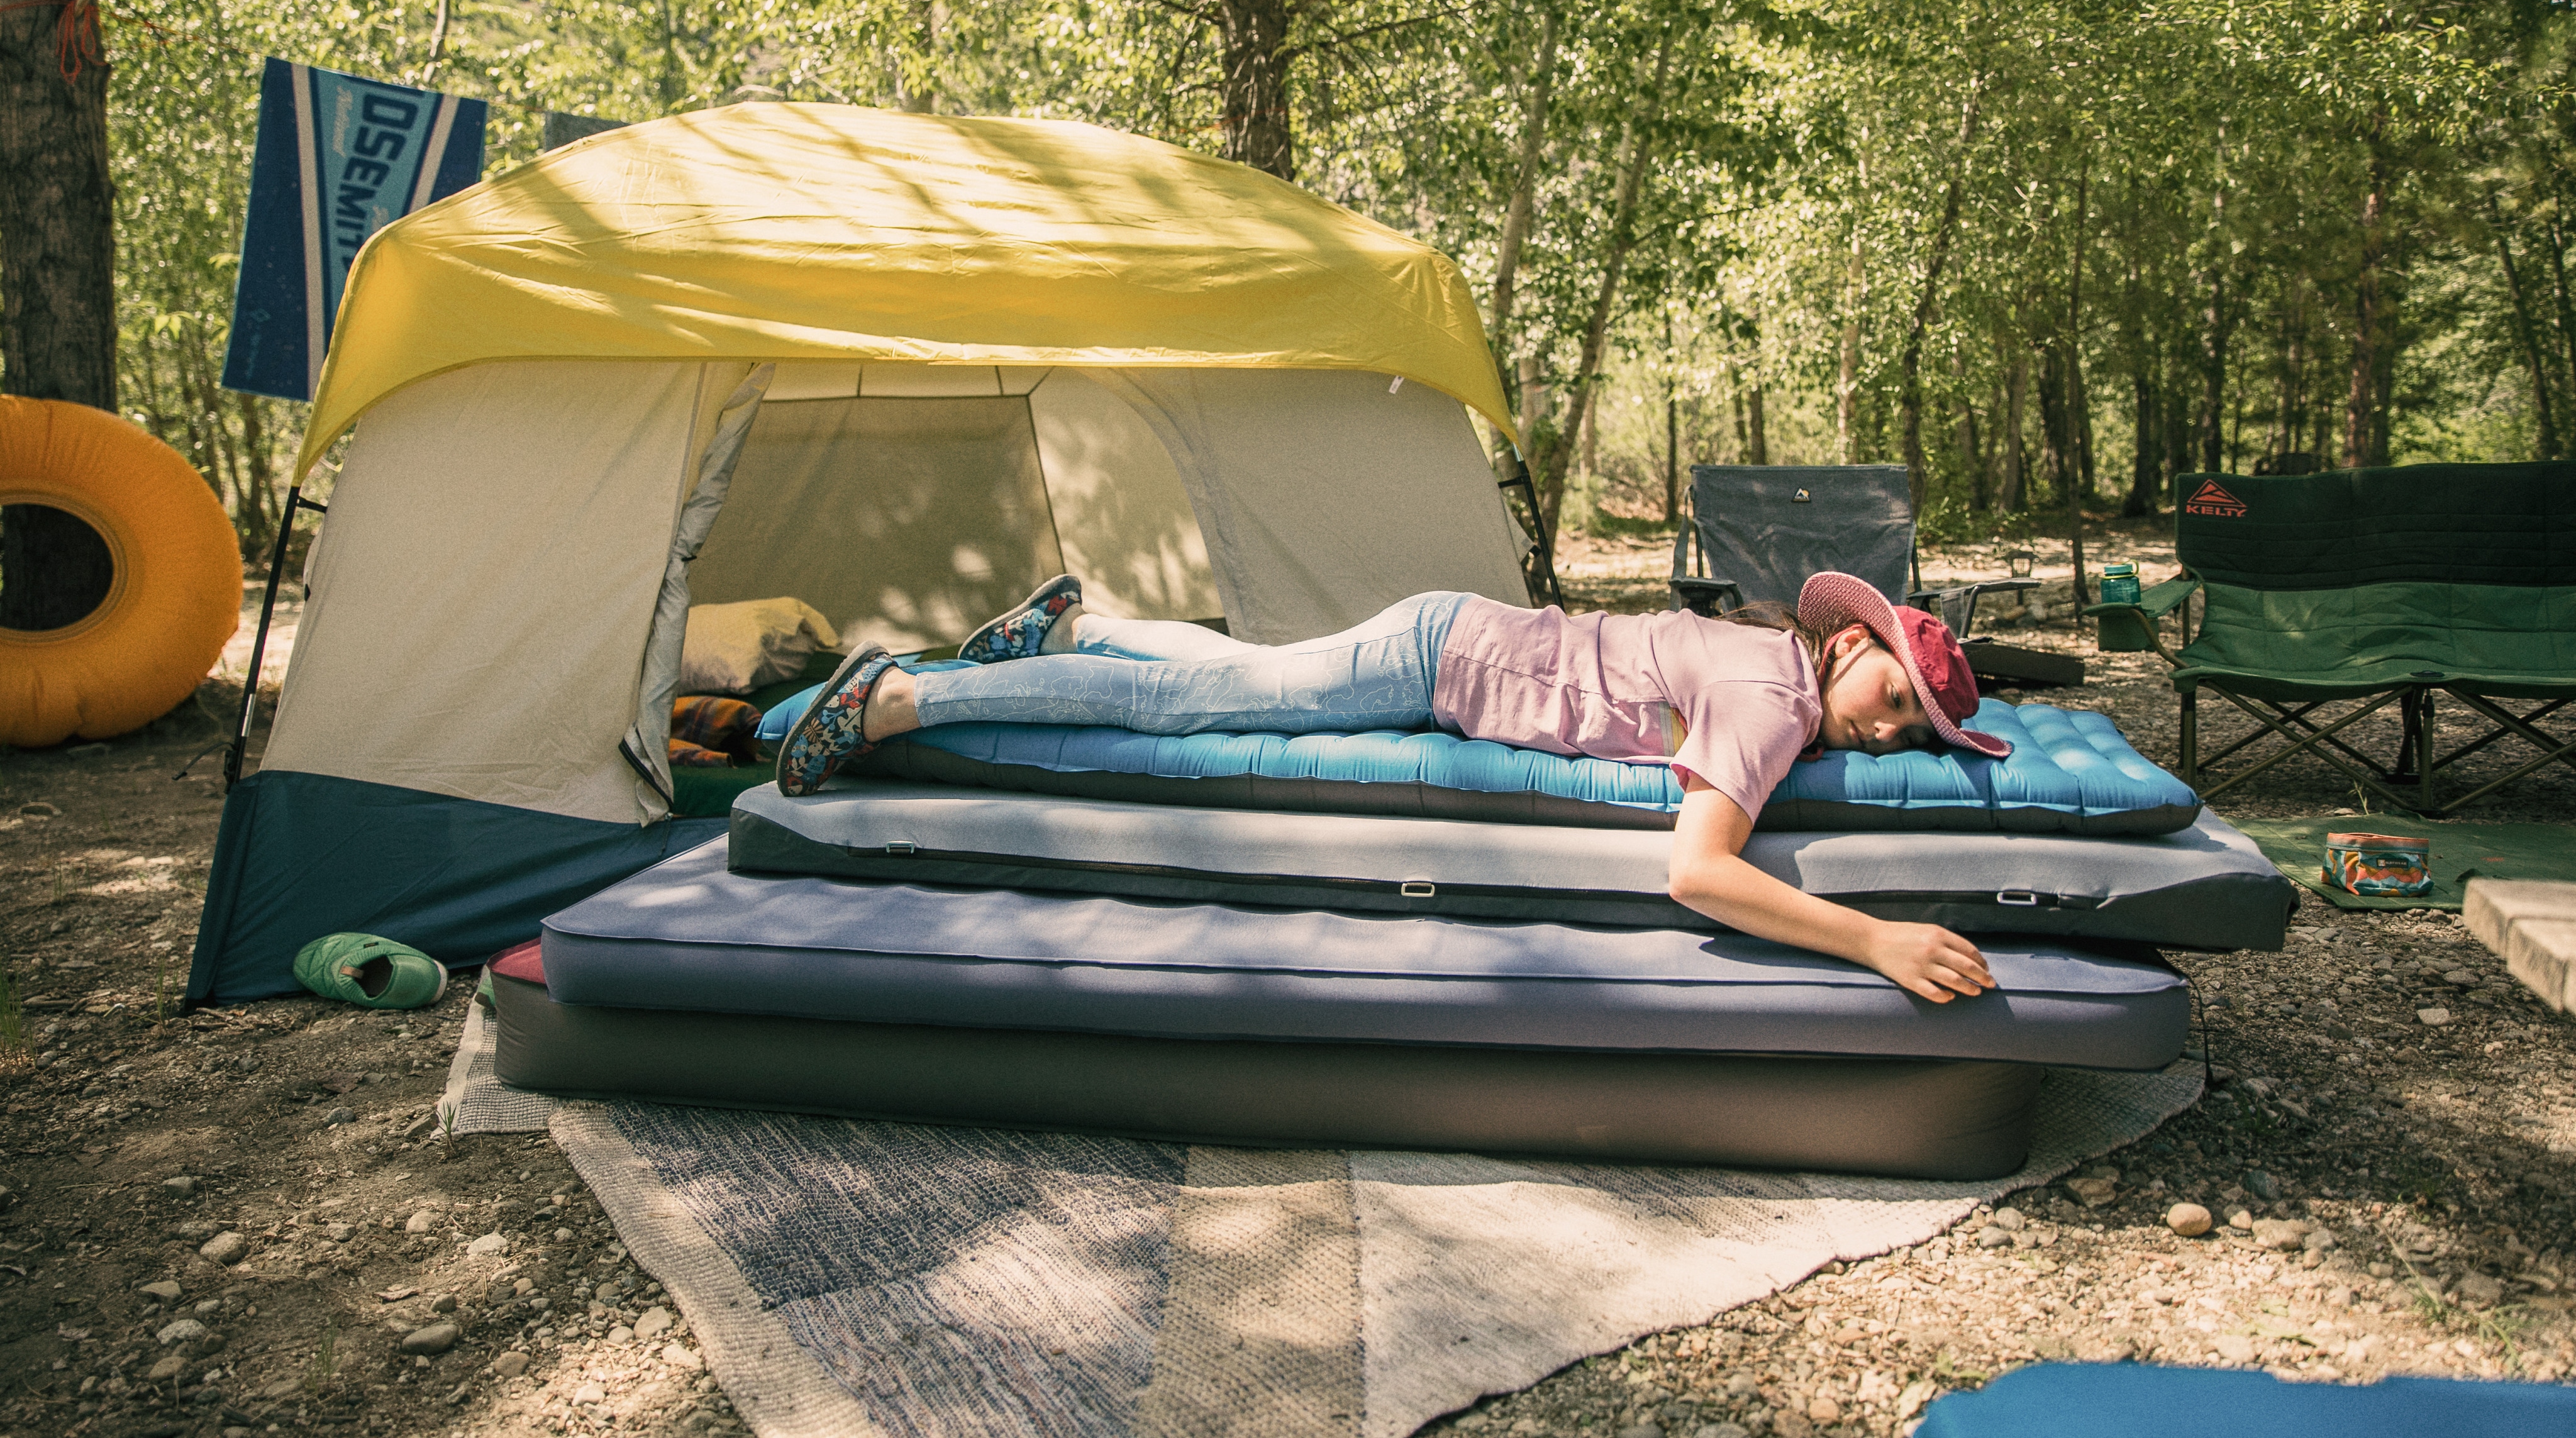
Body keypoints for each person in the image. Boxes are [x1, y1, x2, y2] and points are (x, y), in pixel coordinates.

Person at [777, 572, 2007, 1004]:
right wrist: (1876, 939)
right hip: (1442, 661)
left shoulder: (1766, 664)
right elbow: (1697, 871)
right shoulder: (1773, 701)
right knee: (1194, 711)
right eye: (1894, 699)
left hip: (1451, 644)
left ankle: (1077, 629)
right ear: (1848, 649)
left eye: (1913, 731)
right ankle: (905, 699)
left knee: (1252, 677)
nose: (1889, 730)